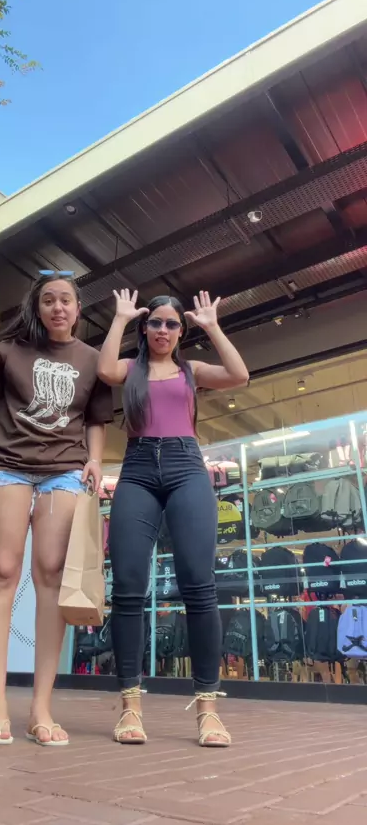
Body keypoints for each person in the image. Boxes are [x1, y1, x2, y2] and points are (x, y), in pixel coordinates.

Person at [0, 271, 113, 746]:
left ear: (78, 308)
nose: (57, 307)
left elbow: (96, 419)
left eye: (66, 300)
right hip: (6, 464)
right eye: (49, 300)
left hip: (64, 470)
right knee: (1, 570)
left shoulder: (92, 359)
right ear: (38, 307)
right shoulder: (8, 349)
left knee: (51, 575)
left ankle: (41, 709)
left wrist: (94, 460)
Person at [97, 289, 249, 748]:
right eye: (155, 322)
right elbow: (104, 369)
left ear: (181, 332)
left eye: (171, 324)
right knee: (127, 587)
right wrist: (120, 318)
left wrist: (212, 326)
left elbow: (239, 375)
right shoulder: (131, 369)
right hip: (137, 468)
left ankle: (208, 710)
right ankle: (130, 707)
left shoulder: (191, 370)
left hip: (186, 467)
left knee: (199, 585)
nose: (163, 330)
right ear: (145, 329)